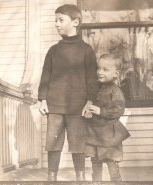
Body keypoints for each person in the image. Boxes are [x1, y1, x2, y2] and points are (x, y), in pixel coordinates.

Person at [38, 4, 98, 181]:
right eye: (55, 20)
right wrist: (42, 100)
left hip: (78, 108)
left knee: (78, 145)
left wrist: (90, 101)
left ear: (75, 22)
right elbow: (45, 77)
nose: (56, 24)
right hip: (55, 106)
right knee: (53, 144)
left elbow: (92, 79)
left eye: (60, 20)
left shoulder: (86, 51)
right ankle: (52, 178)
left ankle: (80, 178)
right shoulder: (53, 51)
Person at [84, 53, 131, 181]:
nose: (100, 72)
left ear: (116, 74)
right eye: (99, 68)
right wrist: (88, 111)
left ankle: (116, 181)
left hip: (109, 134)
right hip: (94, 132)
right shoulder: (95, 89)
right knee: (95, 161)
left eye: (105, 69)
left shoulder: (115, 91)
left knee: (111, 161)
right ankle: (96, 181)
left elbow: (118, 109)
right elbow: (90, 103)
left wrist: (101, 111)